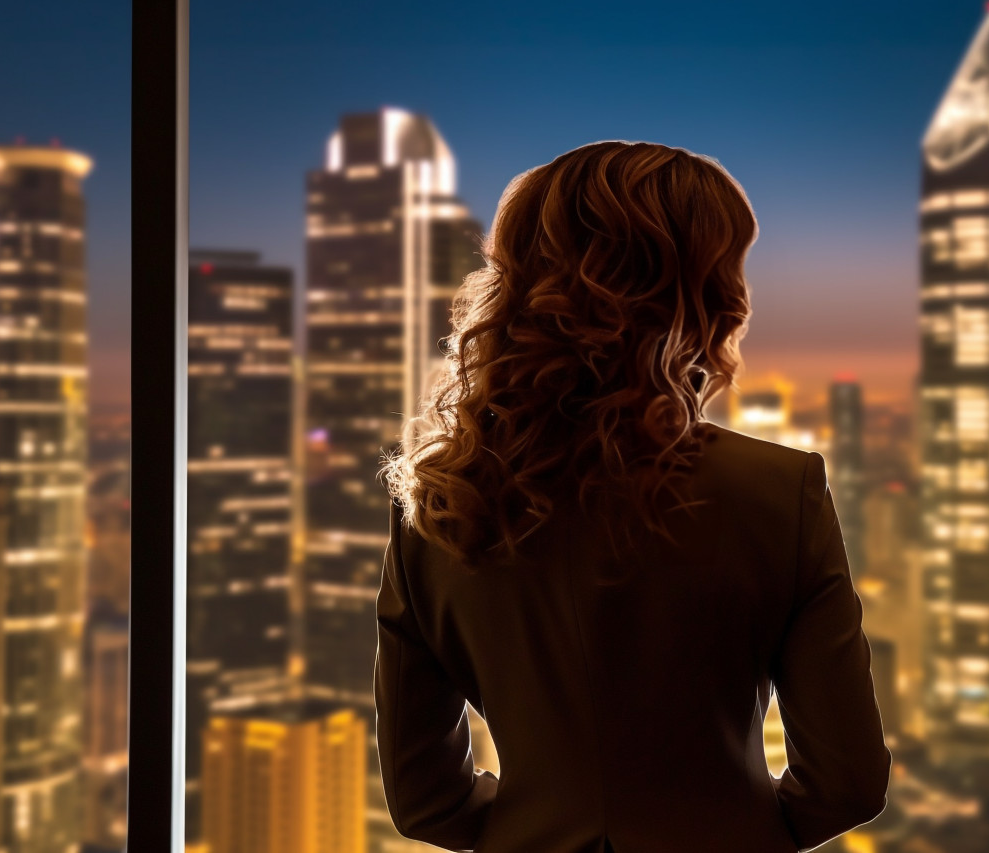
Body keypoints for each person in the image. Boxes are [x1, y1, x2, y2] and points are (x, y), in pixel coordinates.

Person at [375, 140, 891, 853]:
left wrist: (534, 825)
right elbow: (848, 782)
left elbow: (423, 799)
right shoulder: (781, 490)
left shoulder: (438, 502)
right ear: (704, 293)